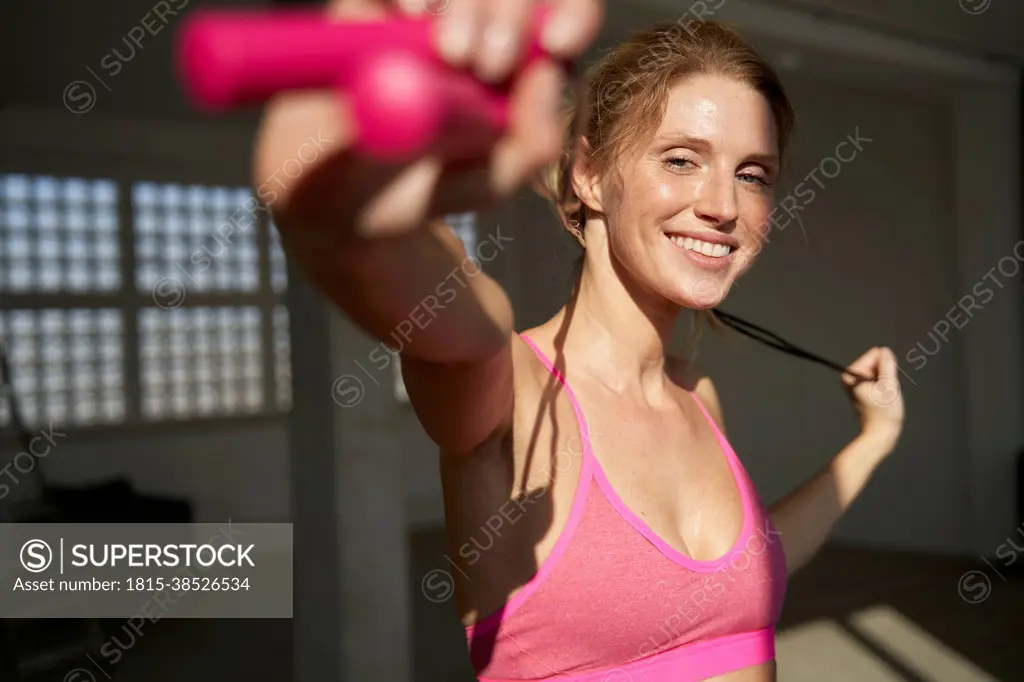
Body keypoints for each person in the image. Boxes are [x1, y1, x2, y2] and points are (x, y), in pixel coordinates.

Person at [254, 0, 906, 679]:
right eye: (682, 160)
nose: (724, 205)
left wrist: (872, 442)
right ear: (589, 175)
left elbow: (750, 571)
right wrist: (354, 152)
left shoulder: (696, 394)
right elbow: (410, 277)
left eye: (752, 174)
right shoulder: (508, 390)